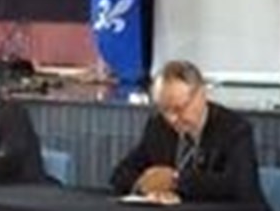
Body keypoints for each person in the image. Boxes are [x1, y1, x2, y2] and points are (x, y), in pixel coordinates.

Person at [110, 60, 270, 208]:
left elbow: (237, 186)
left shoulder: (234, 129)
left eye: (179, 108)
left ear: (201, 95)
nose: (171, 119)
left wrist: (176, 181)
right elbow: (120, 175)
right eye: (164, 109)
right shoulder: (158, 127)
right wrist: (145, 184)